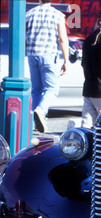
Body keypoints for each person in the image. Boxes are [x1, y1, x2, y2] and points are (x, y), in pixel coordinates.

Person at [25, 0, 69, 133]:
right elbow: (62, 38)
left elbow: (24, 36)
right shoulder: (58, 15)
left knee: (36, 90)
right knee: (52, 88)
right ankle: (41, 110)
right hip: (49, 55)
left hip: (32, 55)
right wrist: (66, 60)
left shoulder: (29, 14)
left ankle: (33, 120)